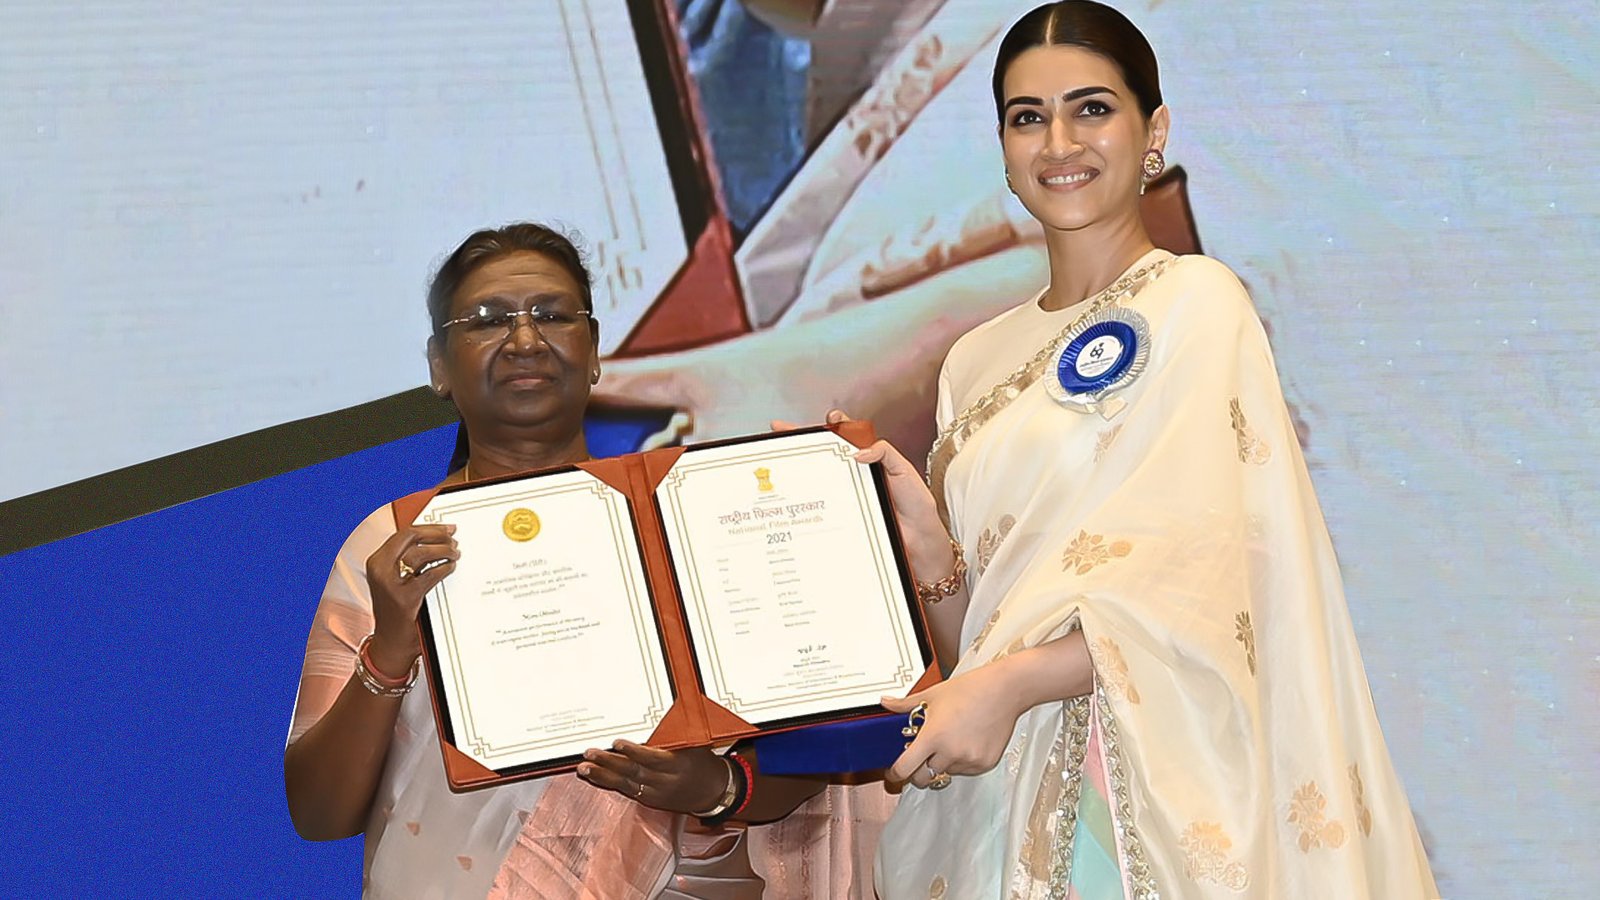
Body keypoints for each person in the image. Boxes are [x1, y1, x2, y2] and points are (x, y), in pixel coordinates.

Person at [845, 3, 1440, 897]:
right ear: (1003, 149)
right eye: (1027, 116)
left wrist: (1004, 686)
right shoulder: (973, 362)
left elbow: (1200, 582)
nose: (1058, 142)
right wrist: (929, 548)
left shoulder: (1197, 300)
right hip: (1002, 792)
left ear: (1152, 128)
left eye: (1091, 108)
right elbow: (994, 627)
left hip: (1146, 785)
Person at [284, 223, 891, 898]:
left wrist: (716, 787)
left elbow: (817, 762)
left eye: (551, 314)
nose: (523, 339)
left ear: (594, 349)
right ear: (437, 364)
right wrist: (390, 648)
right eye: (486, 320)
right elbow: (318, 810)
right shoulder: (391, 546)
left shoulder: (695, 518)